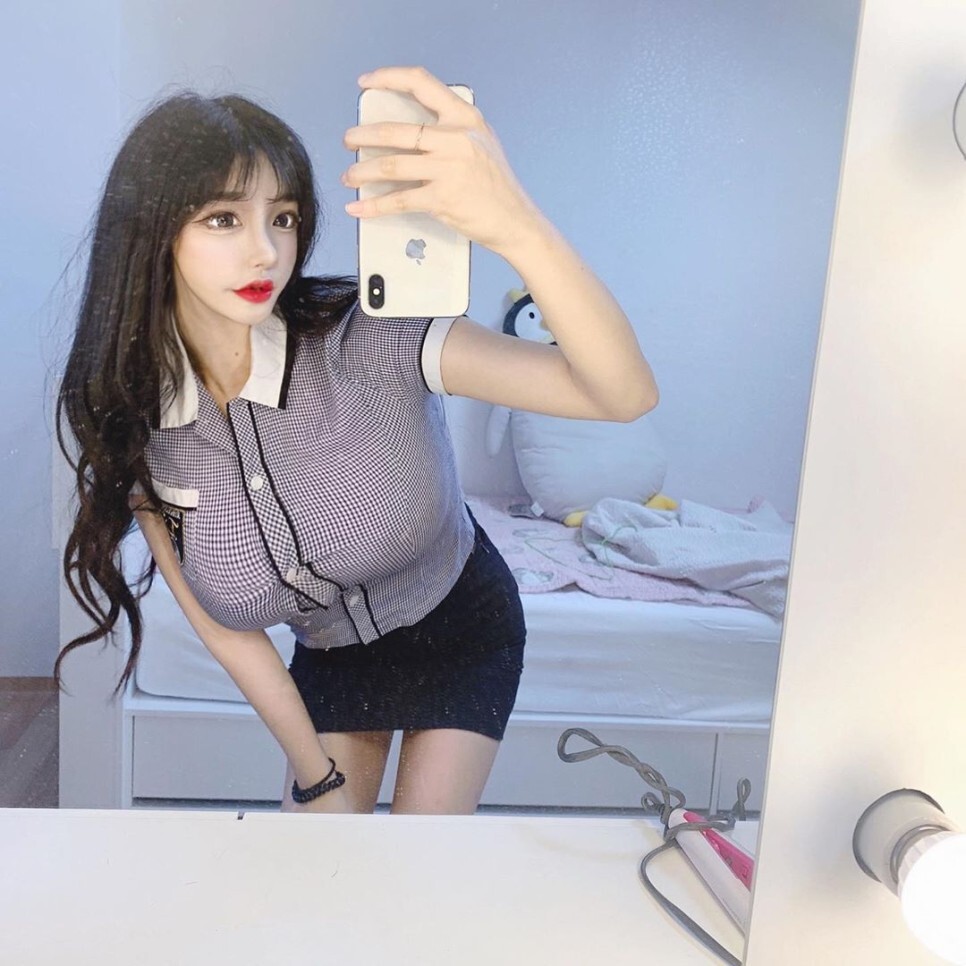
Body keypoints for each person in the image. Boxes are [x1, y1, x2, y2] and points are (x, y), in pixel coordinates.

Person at [56, 65, 658, 816]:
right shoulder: (141, 421)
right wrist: (316, 778)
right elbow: (225, 628)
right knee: (322, 867)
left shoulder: (368, 337)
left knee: (414, 868)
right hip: (331, 659)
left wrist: (515, 224)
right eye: (223, 219)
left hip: (463, 632)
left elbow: (622, 394)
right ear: (151, 232)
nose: (266, 252)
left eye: (282, 217)